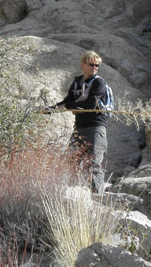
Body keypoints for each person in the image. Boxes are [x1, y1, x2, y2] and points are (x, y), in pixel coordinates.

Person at [45, 50, 109, 193]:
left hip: (96, 127)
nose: (94, 68)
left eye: (97, 65)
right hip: (79, 127)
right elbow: (68, 101)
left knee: (93, 164)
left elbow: (90, 105)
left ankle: (97, 196)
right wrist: (51, 109)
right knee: (71, 161)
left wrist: (67, 106)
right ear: (83, 64)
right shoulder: (76, 82)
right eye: (91, 64)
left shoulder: (99, 82)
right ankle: (74, 192)